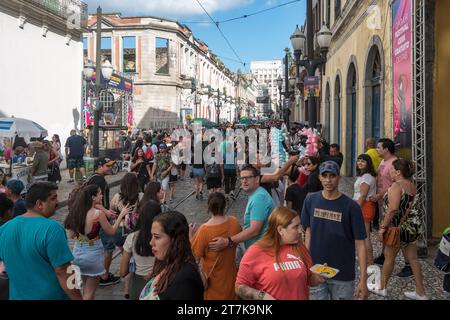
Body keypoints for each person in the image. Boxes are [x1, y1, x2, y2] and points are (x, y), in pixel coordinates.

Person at [0, 182, 82, 300]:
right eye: (53, 198)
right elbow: (63, 270)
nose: (57, 202)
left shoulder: (4, 229)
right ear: (39, 204)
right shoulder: (52, 229)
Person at [301, 161, 368, 300]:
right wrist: (306, 266)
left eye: (332, 176)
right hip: (316, 271)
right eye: (324, 176)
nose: (328, 180)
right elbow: (308, 232)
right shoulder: (310, 200)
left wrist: (363, 280)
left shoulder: (351, 207)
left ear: (339, 177)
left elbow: (361, 244)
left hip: (343, 274)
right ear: (319, 177)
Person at [236, 207, 323, 300]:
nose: (300, 230)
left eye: (300, 225)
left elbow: (308, 279)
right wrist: (261, 296)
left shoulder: (299, 247)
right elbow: (239, 287)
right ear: (280, 230)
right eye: (295, 227)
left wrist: (317, 278)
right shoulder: (255, 252)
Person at [372, 159, 427, 300]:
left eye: (391, 169)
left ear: (397, 172)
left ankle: (382, 288)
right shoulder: (412, 186)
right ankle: (421, 292)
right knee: (413, 259)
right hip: (411, 228)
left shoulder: (397, 185)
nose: (389, 171)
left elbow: (392, 209)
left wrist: (382, 228)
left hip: (397, 229)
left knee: (389, 257)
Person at [64, 184, 130, 300]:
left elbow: (71, 235)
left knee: (86, 289)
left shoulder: (77, 212)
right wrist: (121, 215)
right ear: (93, 197)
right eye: (99, 193)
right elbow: (111, 231)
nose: (102, 195)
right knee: (89, 294)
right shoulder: (97, 214)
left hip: (77, 253)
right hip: (93, 256)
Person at [208, 165, 275, 253]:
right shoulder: (256, 194)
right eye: (242, 178)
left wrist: (228, 241)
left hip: (260, 250)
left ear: (257, 179)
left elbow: (254, 230)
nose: (244, 181)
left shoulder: (259, 197)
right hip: (257, 247)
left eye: (248, 177)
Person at [370, 138, 412, 277]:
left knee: (397, 235)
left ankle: (407, 264)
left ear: (386, 149)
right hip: (384, 201)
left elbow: (394, 185)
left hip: (393, 205)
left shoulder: (395, 163)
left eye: (379, 147)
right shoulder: (383, 161)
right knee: (387, 230)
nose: (377, 149)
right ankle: (384, 256)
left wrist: (380, 194)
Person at [139, 212, 204, 300]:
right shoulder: (165, 262)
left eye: (157, 237)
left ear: (175, 240)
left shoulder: (185, 278)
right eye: (152, 236)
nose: (151, 242)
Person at [190, 193, 242, 300]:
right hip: (230, 279)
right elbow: (239, 239)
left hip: (212, 283)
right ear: (225, 206)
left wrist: (190, 235)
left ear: (208, 207)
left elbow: (194, 256)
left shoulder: (204, 230)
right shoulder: (234, 222)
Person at [87, 157, 122, 286]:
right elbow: (93, 200)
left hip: (96, 217)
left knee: (103, 246)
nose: (110, 168)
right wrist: (106, 211)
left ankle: (100, 273)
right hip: (100, 218)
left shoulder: (94, 177)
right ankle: (104, 276)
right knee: (108, 247)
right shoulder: (99, 179)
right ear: (100, 166)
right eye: (107, 166)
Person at [120, 200, 162, 300]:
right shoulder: (164, 238)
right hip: (160, 282)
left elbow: (123, 272)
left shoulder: (132, 237)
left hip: (138, 285)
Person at [354, 154, 377, 266]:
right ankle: (367, 261)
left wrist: (355, 210)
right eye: (358, 161)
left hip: (364, 206)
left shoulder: (367, 177)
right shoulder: (364, 176)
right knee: (363, 236)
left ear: (368, 163)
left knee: (365, 237)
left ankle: (369, 263)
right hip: (364, 206)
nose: (360, 163)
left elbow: (362, 196)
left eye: (363, 161)